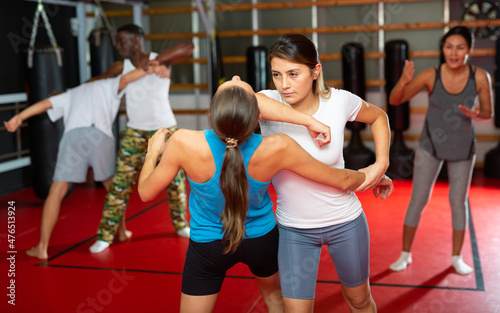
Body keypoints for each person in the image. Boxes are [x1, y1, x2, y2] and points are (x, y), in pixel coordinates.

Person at [137, 77, 393, 313]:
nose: (236, 77)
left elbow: (145, 192)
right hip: (261, 240)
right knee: (274, 299)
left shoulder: (183, 142)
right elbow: (343, 179)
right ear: (258, 117)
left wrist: (153, 151)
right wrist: (376, 175)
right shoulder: (277, 146)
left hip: (208, 246)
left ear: (210, 116)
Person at [256, 33, 391, 313]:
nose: (284, 85)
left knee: (359, 300)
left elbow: (378, 117)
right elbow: (230, 103)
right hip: (294, 229)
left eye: (293, 74)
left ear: (315, 70)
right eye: (276, 75)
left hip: (345, 222)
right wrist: (306, 121)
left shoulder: (338, 102)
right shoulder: (268, 103)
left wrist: (381, 165)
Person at [3, 63, 167, 260]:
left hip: (74, 137)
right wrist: (150, 68)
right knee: (113, 189)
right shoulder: (108, 84)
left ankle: (42, 248)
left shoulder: (71, 93)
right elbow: (127, 78)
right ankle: (122, 231)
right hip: (101, 136)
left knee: (56, 191)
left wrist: (19, 117)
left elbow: (45, 104)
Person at [388, 25, 492, 275]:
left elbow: (489, 113)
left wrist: (476, 114)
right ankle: (405, 255)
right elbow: (395, 100)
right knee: (418, 200)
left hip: (462, 148)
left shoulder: (480, 77)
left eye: (460, 47)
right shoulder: (430, 75)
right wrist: (403, 81)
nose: (454, 53)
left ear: (469, 49)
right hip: (430, 147)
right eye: (449, 47)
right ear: (442, 49)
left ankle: (457, 257)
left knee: (458, 202)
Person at [88, 24, 195, 253]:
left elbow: (188, 46)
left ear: (136, 40)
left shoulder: (161, 60)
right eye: (117, 42)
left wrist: (155, 63)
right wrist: (65, 95)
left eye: (122, 41)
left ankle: (181, 224)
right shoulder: (121, 66)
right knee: (119, 185)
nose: (118, 46)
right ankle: (105, 235)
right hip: (134, 132)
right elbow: (98, 81)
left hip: (165, 130)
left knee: (175, 183)